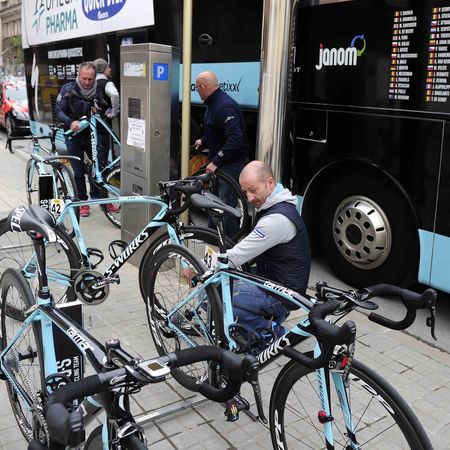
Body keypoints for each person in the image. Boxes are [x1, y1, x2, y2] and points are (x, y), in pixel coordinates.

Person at [225, 160, 311, 348]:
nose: (249, 198)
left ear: (270, 183)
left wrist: (198, 267)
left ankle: (271, 333)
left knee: (211, 292)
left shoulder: (276, 220)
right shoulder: (278, 204)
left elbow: (236, 256)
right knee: (226, 284)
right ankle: (263, 322)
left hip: (280, 295)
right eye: (245, 192)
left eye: (253, 190)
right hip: (279, 285)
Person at [194, 71, 249, 237]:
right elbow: (218, 130)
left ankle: (230, 244)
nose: (197, 91)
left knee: (225, 208)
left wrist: (216, 161)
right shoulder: (214, 103)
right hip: (223, 166)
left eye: (197, 88)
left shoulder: (224, 106)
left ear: (203, 86)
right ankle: (213, 238)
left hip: (230, 166)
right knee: (214, 204)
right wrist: (204, 140)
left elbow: (235, 138)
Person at [55, 61, 101, 217]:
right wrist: (70, 122)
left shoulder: (98, 89)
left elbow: (107, 107)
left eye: (90, 79)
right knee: (79, 170)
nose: (87, 82)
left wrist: (102, 110)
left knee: (98, 167)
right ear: (78, 75)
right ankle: (82, 202)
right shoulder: (67, 89)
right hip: (72, 134)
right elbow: (59, 111)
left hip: (91, 134)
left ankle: (101, 199)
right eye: (84, 78)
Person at [93, 58, 120, 171]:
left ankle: (98, 168)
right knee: (103, 147)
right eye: (108, 67)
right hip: (104, 122)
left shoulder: (91, 83)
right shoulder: (107, 83)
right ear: (103, 69)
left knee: (97, 147)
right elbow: (114, 94)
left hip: (94, 121)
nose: (110, 69)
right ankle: (103, 171)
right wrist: (114, 112)